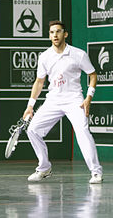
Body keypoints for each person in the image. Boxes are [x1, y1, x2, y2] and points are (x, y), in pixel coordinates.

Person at [23, 20, 103, 184]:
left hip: (74, 100)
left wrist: (89, 97)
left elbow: (93, 74)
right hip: (53, 100)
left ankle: (96, 172)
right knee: (33, 130)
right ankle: (44, 168)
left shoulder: (78, 54)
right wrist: (30, 106)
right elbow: (39, 82)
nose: (55, 35)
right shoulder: (44, 56)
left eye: (58, 32)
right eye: (52, 32)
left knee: (83, 132)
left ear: (65, 34)